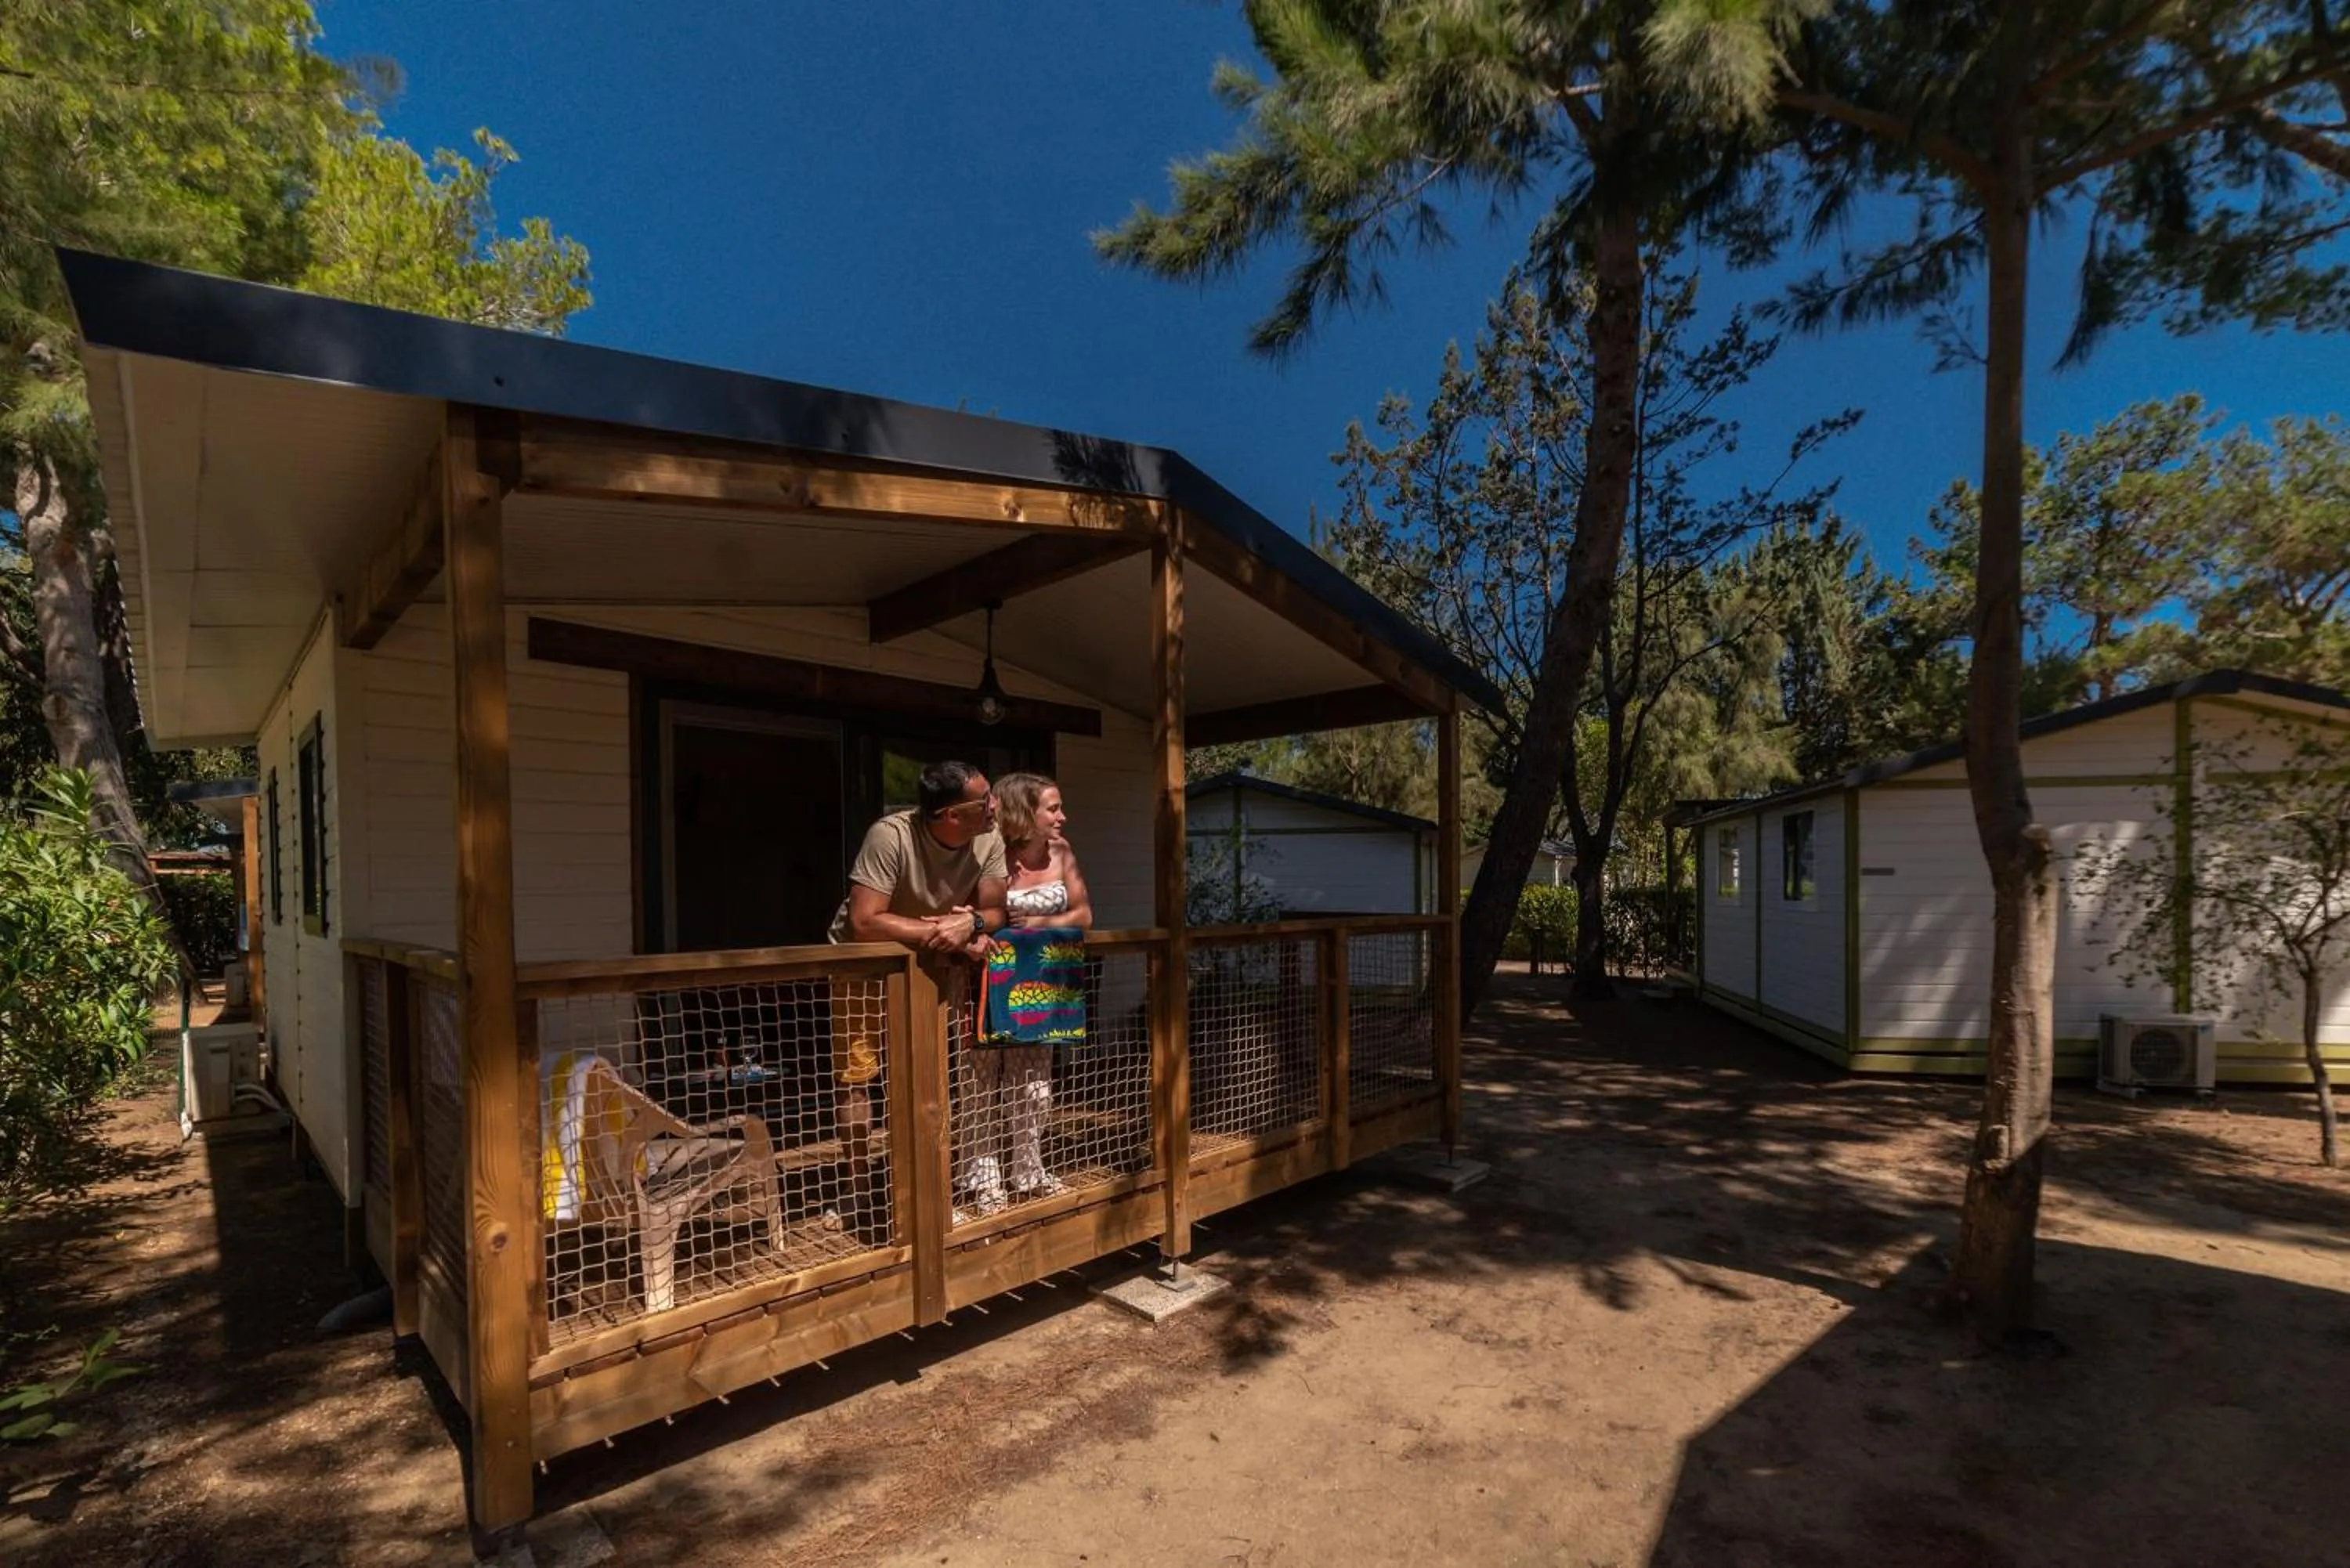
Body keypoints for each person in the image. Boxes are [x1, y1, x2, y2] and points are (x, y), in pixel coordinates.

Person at [830, 760, 1007, 1231]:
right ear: (951, 814)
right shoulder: (890, 835)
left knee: (927, 1075)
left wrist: (969, 924)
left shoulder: (989, 836)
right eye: (984, 799)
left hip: (930, 967)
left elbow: (994, 910)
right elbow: (864, 922)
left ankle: (925, 1182)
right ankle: (857, 1187)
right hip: (862, 969)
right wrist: (947, 930)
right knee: (858, 1077)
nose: (994, 805)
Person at [966, 772, 1094, 1212]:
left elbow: (1084, 914)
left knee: (1036, 1085)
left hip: (1045, 982)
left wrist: (1035, 926)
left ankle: (1028, 1167)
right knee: (983, 1083)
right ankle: (984, 1178)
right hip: (990, 980)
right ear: (1025, 812)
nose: (1063, 816)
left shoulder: (1062, 851)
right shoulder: (990, 852)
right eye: (1053, 808)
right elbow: (982, 913)